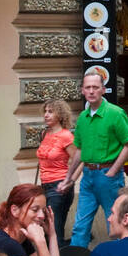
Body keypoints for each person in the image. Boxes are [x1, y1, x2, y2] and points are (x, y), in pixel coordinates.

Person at [61, 73, 128, 249]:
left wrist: (112, 171)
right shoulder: (83, 118)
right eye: (88, 87)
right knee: (80, 227)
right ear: (82, 91)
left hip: (107, 175)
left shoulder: (115, 113)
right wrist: (69, 178)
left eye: (95, 87)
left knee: (116, 226)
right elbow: (79, 150)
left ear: (103, 90)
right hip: (87, 176)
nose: (91, 91)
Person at [36, 99, 79, 243]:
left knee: (54, 231)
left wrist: (70, 181)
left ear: (60, 115)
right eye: (45, 111)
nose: (46, 115)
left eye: (50, 112)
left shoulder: (66, 136)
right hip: (45, 186)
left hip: (59, 187)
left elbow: (79, 160)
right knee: (48, 229)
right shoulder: (44, 134)